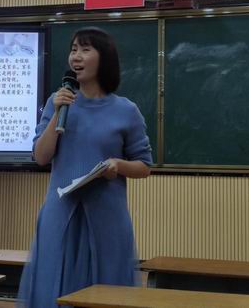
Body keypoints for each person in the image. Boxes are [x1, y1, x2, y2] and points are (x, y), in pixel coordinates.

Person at [17, 27, 152, 308]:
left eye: (85, 50)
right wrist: (57, 112)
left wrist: (118, 164)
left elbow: (144, 166)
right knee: (53, 285)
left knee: (107, 291)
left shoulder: (126, 110)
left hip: (107, 216)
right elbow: (41, 157)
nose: (76, 56)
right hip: (60, 213)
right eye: (73, 49)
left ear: (104, 58)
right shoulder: (57, 102)